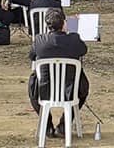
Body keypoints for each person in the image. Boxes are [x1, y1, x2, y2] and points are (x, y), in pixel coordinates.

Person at [28, 9, 90, 139]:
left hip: (44, 89)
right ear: (64, 24)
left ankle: (47, 126)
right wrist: (72, 29)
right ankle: (64, 125)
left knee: (32, 88)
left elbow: (32, 56)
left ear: (47, 25)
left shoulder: (39, 40)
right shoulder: (74, 39)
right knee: (83, 88)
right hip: (70, 90)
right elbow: (83, 50)